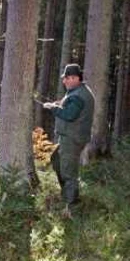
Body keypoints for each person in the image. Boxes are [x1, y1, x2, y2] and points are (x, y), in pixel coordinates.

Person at [43, 64, 95, 217]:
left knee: (68, 172)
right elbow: (71, 108)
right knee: (56, 159)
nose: (64, 81)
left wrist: (52, 108)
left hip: (72, 139)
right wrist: (60, 104)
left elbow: (69, 115)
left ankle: (72, 208)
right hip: (71, 137)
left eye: (66, 78)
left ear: (75, 78)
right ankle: (67, 197)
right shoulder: (78, 92)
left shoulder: (79, 95)